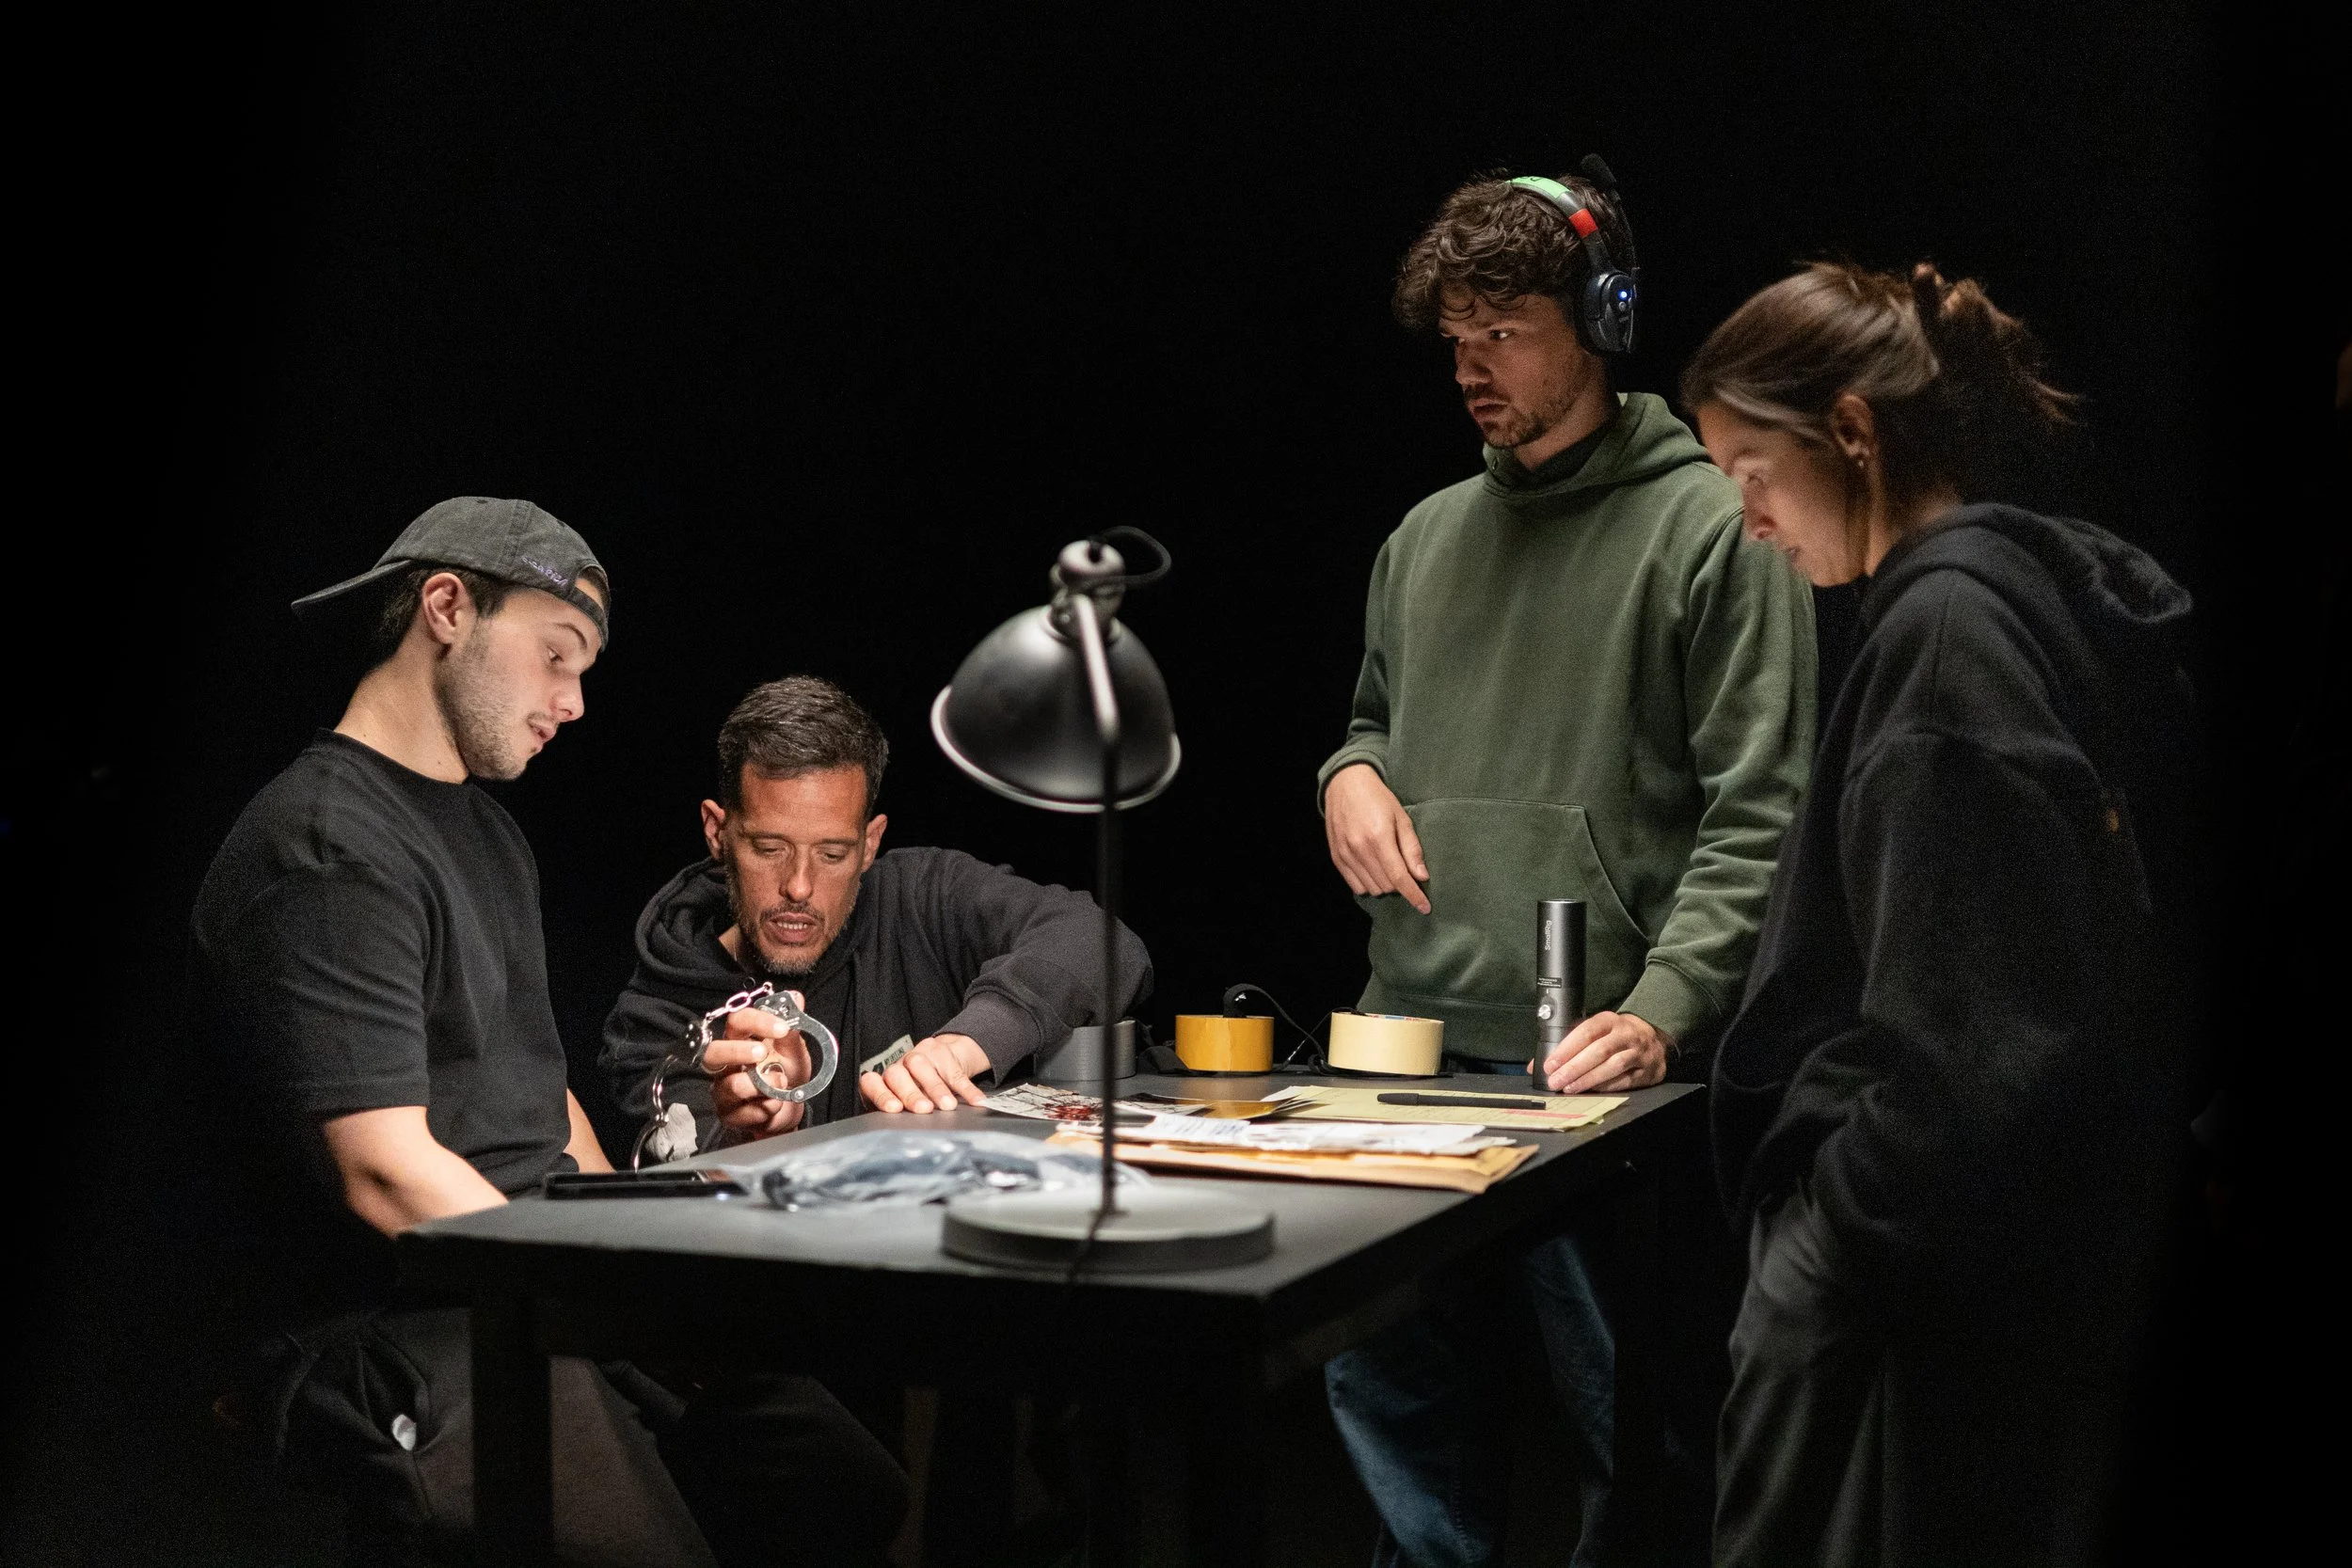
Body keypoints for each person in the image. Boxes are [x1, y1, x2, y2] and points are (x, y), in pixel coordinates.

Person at [190, 498, 907, 1567]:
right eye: (556, 654)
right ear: (446, 607)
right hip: (394, 1314)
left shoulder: (490, 834)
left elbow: (538, 1092)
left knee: (840, 1485)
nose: (572, 702)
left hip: (522, 1273)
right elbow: (383, 1172)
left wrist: (633, 1246)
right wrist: (596, 1301)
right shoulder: (329, 843)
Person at [1317, 166, 1816, 1567]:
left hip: (1595, 1069)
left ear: (1602, 321)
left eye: (1506, 331)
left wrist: (1663, 1011)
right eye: (1456, 337)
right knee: (1399, 1420)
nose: (1471, 368)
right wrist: (1346, 775)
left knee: (1630, 1440)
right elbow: (1370, 722)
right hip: (1405, 1051)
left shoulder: (1714, 527)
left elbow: (1764, 811)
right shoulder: (1424, 538)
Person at [1684, 261, 2196, 1567]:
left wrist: (1829, 1236)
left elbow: (1976, 1049)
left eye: (1752, 471)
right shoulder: (1999, 607)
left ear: (1852, 431)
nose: (1750, 521)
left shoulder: (1949, 639)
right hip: (1985, 1275)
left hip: (1907, 1287)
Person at [601, 673, 1152, 1157]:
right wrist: (767, 1129)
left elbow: (1100, 942)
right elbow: (697, 1199)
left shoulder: (924, 897)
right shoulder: (656, 1020)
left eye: (832, 854)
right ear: (718, 833)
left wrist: (966, 1043)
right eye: (769, 848)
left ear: (869, 845)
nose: (798, 886)